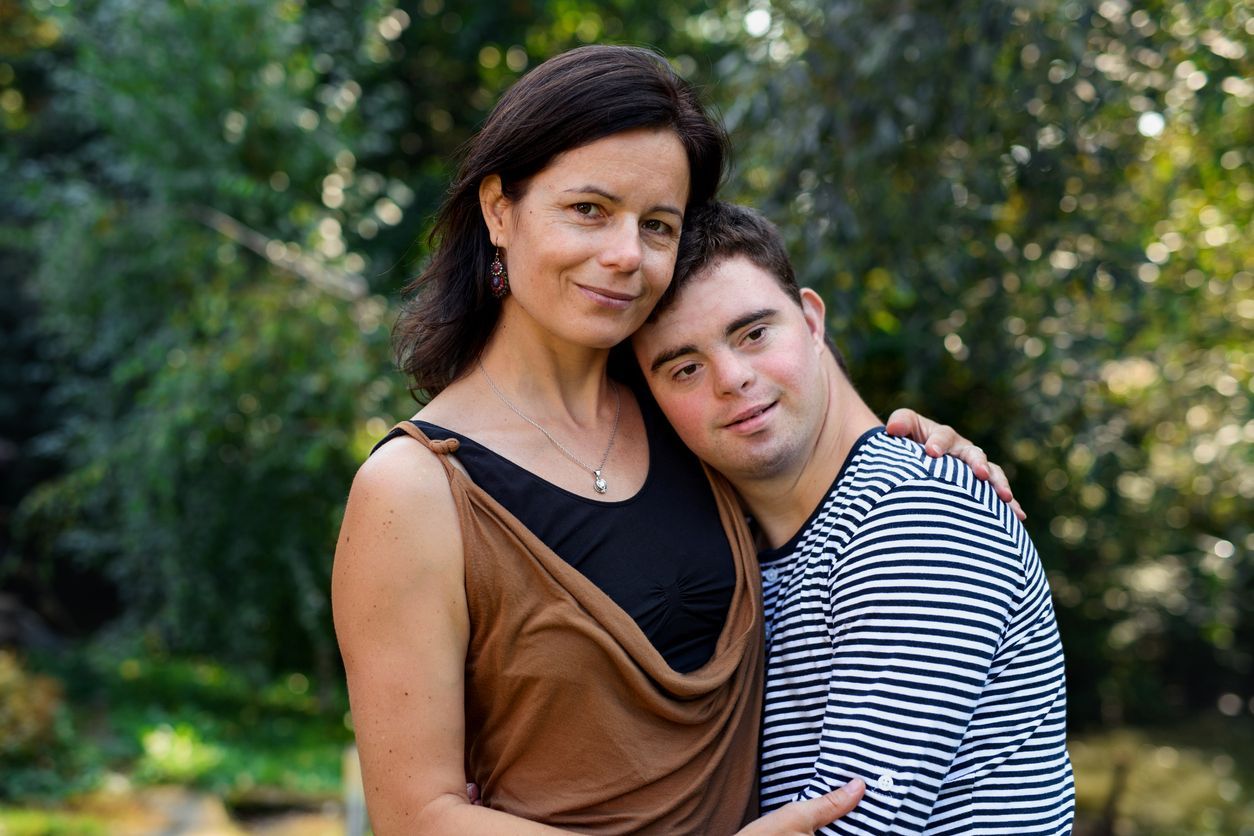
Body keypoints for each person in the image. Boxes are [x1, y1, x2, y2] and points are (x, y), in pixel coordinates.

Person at [333, 45, 1012, 835]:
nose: (626, 255)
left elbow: (836, 501)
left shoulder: (692, 416)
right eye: (589, 209)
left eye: (657, 225)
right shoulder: (414, 491)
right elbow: (415, 816)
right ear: (499, 210)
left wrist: (913, 453)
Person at [632, 202, 1076, 834]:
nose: (731, 378)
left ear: (811, 321)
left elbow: (844, 825)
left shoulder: (916, 516)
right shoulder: (740, 545)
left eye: (754, 334)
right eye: (685, 368)